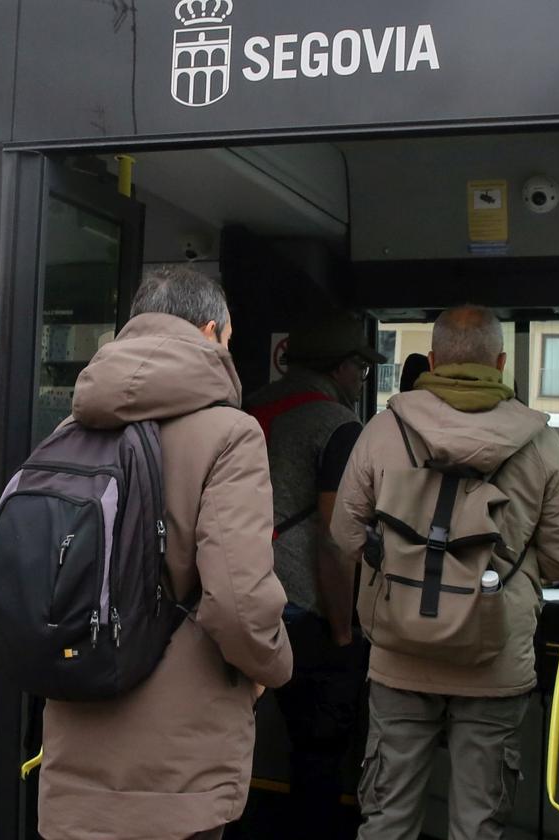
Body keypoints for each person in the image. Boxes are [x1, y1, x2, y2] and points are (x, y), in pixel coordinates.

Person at [38, 265, 294, 840]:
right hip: (178, 774)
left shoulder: (69, 428)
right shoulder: (231, 433)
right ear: (210, 333)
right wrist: (271, 668)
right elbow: (238, 599)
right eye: (228, 341)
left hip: (75, 751)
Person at [330, 304, 559, 840]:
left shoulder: (383, 429)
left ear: (435, 360)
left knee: (388, 817)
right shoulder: (544, 445)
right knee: (477, 824)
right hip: (495, 660)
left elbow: (344, 534)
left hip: (400, 654)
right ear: (503, 361)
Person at [244, 313, 384, 833]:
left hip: (240, 596)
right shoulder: (338, 426)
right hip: (303, 610)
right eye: (362, 371)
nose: (362, 381)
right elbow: (333, 536)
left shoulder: (250, 406)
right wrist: (344, 631)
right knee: (320, 753)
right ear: (343, 368)